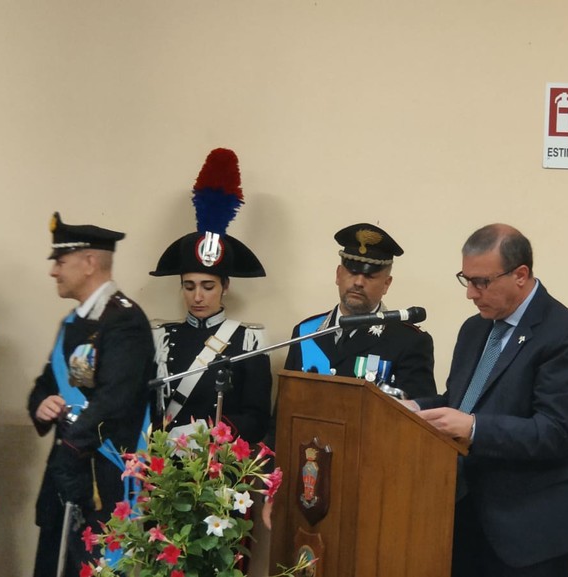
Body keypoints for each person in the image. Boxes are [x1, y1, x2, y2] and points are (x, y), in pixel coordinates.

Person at [407, 223, 568, 577]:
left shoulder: (567, 335)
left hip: (532, 530)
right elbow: (461, 401)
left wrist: (474, 429)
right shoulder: (474, 329)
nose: (471, 293)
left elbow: (558, 433)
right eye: (466, 280)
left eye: (481, 282)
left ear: (520, 275)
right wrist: (414, 409)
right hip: (466, 517)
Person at [28, 213, 154, 577]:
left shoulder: (125, 321)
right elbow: (45, 383)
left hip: (103, 478)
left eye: (60, 261)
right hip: (67, 474)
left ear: (89, 262)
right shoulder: (73, 322)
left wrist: (71, 449)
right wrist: (41, 404)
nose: (53, 271)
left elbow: (115, 400)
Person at [149, 147, 271, 443]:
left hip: (216, 461)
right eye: (189, 286)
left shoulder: (247, 340)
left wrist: (202, 435)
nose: (197, 297)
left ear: (225, 286)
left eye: (208, 286)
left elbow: (257, 418)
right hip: (162, 460)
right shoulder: (162, 337)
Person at [284, 223, 435, 398]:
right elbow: (285, 406)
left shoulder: (409, 341)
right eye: (352, 272)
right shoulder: (306, 332)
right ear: (338, 274)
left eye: (370, 276)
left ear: (386, 284)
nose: (358, 282)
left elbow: (415, 412)